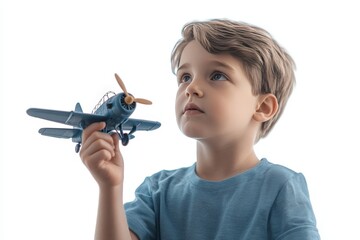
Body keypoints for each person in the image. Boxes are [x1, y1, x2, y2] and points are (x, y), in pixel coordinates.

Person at [80, 19, 320, 240]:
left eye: (217, 75)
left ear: (264, 106)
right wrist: (110, 187)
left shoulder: (281, 186)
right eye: (185, 77)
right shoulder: (157, 191)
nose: (191, 87)